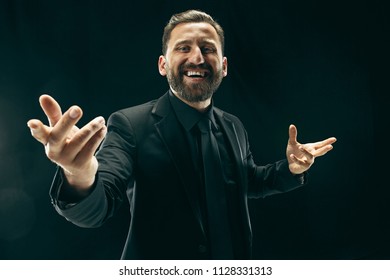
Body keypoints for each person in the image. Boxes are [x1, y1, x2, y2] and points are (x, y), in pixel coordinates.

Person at [27, 9, 336, 260]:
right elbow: (99, 206)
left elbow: (246, 182)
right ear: (163, 65)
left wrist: (290, 169)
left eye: (208, 49)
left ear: (224, 66)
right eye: (183, 48)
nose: (197, 58)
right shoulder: (129, 124)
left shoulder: (233, 127)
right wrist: (78, 173)